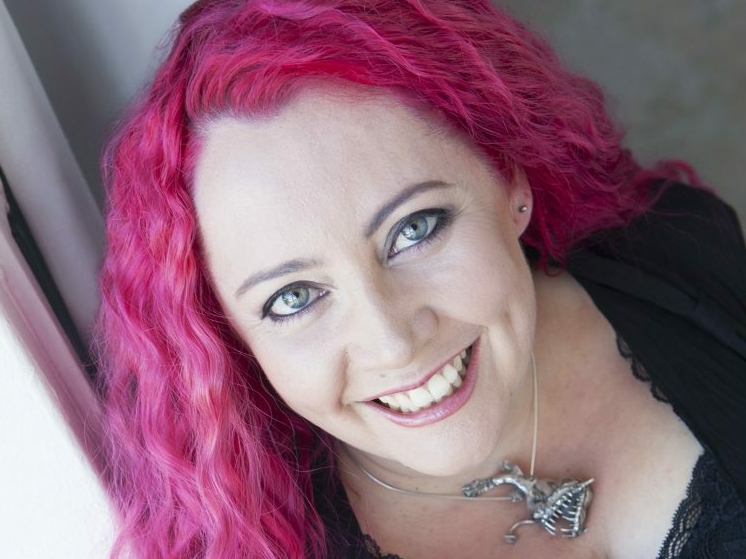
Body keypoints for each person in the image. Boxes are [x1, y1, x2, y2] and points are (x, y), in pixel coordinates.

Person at [94, 1, 746, 558]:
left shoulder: (680, 250)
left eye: (414, 229)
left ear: (508, 175)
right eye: (293, 298)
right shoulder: (255, 539)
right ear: (227, 334)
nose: (392, 341)